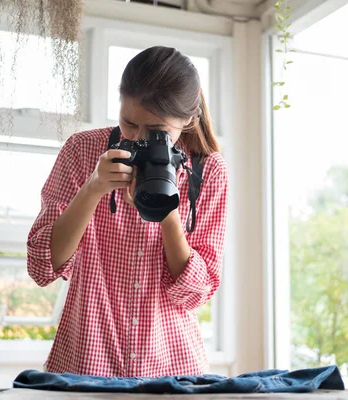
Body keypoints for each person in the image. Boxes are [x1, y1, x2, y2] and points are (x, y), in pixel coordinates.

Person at [27, 46, 229, 378]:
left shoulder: (207, 171)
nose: (136, 138)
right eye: (128, 123)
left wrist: (166, 208)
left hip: (172, 372)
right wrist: (92, 189)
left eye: (155, 130)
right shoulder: (83, 150)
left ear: (188, 120)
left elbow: (195, 293)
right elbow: (41, 266)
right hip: (85, 366)